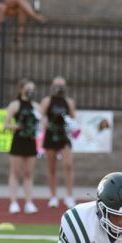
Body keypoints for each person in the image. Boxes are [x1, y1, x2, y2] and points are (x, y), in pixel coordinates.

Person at [3, 78, 41, 215]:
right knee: (15, 172)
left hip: (30, 142)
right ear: (21, 89)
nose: (31, 91)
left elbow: (40, 124)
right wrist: (18, 126)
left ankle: (29, 202)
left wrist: (35, 131)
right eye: (28, 88)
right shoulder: (15, 105)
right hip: (18, 140)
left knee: (29, 173)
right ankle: (13, 202)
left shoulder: (36, 107)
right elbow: (5, 124)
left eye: (33, 89)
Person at [39, 76, 77, 210]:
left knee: (68, 165)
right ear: (52, 86)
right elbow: (41, 115)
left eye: (62, 85)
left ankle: (69, 196)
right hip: (51, 135)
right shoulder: (47, 101)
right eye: (57, 85)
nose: (59, 88)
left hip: (63, 136)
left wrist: (70, 123)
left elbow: (73, 116)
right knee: (52, 167)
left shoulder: (69, 101)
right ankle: (53, 197)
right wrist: (45, 123)